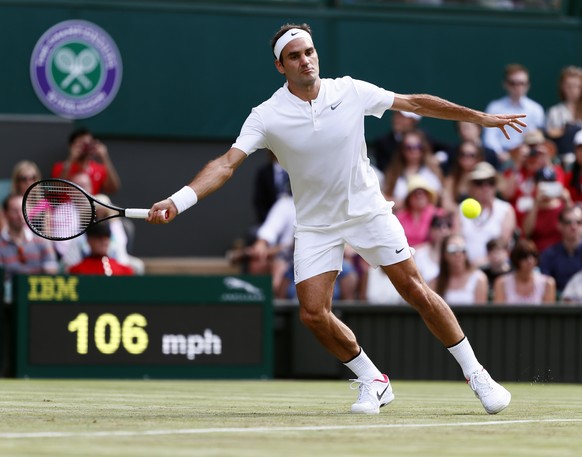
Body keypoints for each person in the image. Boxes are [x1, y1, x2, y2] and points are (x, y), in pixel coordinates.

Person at [147, 23, 525, 415]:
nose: (305, 60)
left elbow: (414, 103)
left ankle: (477, 374)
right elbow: (226, 165)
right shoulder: (266, 115)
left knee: (414, 289)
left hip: (368, 211)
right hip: (316, 225)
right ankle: (373, 380)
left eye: (309, 51)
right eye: (294, 56)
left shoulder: (350, 90)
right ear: (280, 66)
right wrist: (179, 200)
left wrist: (478, 118)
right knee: (312, 313)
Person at [1, 194, 59, 301]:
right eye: (15, 211)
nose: (20, 215)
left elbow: (51, 271)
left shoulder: (42, 241)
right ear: (5, 213)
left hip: (38, 299)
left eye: (23, 209)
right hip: (8, 300)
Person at [483, 63, 545, 164]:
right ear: (505, 84)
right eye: (512, 83)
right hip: (499, 159)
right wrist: (500, 153)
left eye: (521, 83)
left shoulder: (536, 109)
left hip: (528, 159)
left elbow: (536, 137)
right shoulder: (494, 107)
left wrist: (520, 153)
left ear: (528, 85)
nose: (517, 87)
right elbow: (489, 137)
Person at [460, 161, 517, 267]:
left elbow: (503, 244)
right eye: (479, 183)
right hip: (464, 268)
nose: (485, 187)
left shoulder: (506, 210)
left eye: (490, 182)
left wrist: (483, 262)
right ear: (471, 186)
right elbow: (457, 240)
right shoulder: (460, 209)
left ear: (495, 185)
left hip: (495, 268)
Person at [382, 129, 444, 211]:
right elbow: (384, 199)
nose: (413, 151)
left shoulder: (433, 170)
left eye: (418, 147)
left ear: (423, 148)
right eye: (408, 147)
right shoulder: (393, 172)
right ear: (402, 150)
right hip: (399, 219)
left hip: (427, 219)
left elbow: (441, 197)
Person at [51, 127, 122, 195]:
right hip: (67, 206)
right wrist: (71, 159)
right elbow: (55, 191)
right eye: (81, 144)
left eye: (88, 144)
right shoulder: (61, 167)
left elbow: (113, 189)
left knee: (104, 199)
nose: (85, 148)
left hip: (92, 205)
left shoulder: (99, 168)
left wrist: (105, 157)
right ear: (71, 146)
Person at [521, 166, 573, 254]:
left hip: (562, 253)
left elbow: (574, 225)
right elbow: (527, 232)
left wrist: (568, 201)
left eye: (551, 183)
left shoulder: (562, 205)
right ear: (536, 185)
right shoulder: (530, 205)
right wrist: (536, 204)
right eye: (544, 183)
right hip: (539, 253)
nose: (548, 187)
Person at [429, 234, 489, 306]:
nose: (458, 254)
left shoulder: (479, 279)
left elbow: (481, 311)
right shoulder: (435, 283)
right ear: (444, 254)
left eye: (462, 249)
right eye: (452, 249)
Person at [492, 238, 556, 305]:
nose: (530, 260)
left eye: (533, 255)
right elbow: (499, 313)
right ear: (516, 259)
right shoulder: (501, 283)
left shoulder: (548, 283)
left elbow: (548, 314)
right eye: (524, 256)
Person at [539, 205, 582, 295]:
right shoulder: (548, 255)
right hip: (558, 305)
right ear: (559, 225)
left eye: (578, 222)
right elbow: (545, 286)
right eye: (568, 222)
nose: (574, 227)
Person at [68, 223, 134, 276]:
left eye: (107, 237)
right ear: (89, 240)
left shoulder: (125, 270)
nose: (104, 242)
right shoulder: (77, 270)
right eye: (99, 238)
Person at [545, 66, 582, 160]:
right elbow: (550, 136)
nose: (572, 90)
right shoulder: (554, 112)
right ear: (562, 87)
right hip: (563, 159)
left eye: (576, 86)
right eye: (569, 86)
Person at [395, 174, 442, 247]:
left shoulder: (438, 214)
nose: (419, 196)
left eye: (423, 192)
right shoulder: (400, 217)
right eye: (415, 193)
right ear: (409, 198)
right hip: (405, 255)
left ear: (428, 196)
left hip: (430, 255)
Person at [441, 140, 483, 213]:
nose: (466, 158)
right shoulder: (452, 178)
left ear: (478, 158)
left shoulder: (485, 177)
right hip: (457, 219)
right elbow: (446, 204)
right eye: (463, 154)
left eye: (471, 155)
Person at [414, 212, 453, 284]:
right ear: (430, 230)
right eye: (438, 225)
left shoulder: (457, 252)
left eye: (448, 225)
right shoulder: (419, 253)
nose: (444, 231)